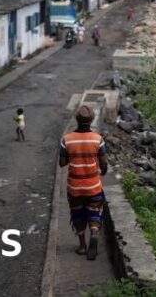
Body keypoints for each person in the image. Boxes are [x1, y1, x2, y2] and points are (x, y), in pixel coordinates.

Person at [59, 105, 107, 260]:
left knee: (77, 214)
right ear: (92, 120)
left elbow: (62, 163)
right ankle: (93, 233)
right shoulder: (98, 139)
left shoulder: (67, 139)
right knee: (94, 211)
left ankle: (82, 246)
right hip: (93, 185)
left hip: (75, 187)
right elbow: (103, 164)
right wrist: (103, 172)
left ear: (76, 120)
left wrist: (70, 155)